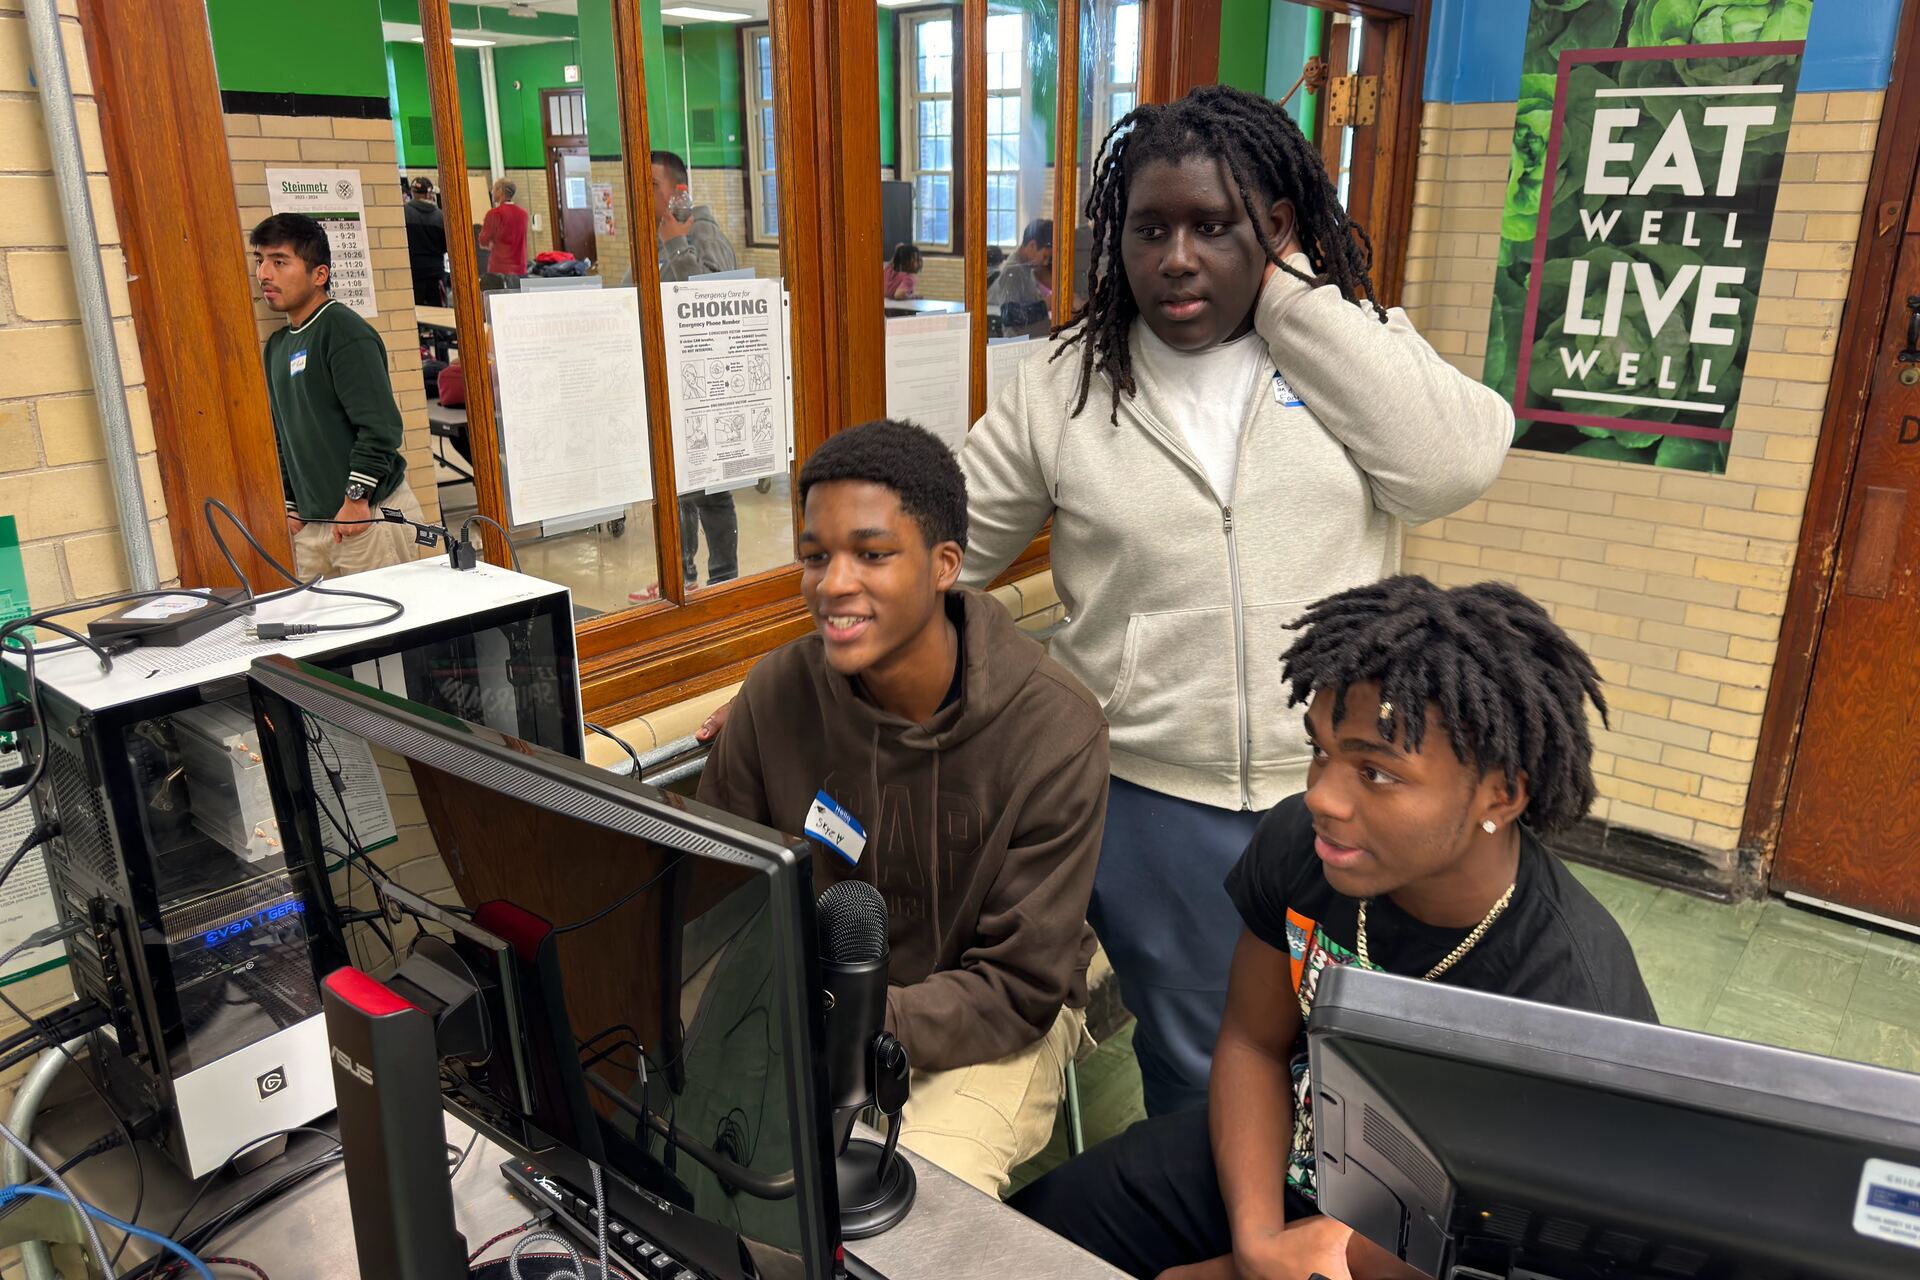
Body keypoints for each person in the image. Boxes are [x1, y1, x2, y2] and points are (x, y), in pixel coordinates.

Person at [956, 83, 1516, 1117]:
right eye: (1149, 228)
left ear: (1278, 227)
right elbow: (947, 550)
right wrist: (800, 668)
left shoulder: (1345, 348)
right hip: (1154, 800)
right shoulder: (1066, 384)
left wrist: (1298, 301)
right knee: (1206, 1065)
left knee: (1369, 1056)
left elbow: (1453, 462)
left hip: (1354, 778)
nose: (1177, 256)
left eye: (1214, 226)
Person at [1013, 577, 1657, 1280]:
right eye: (1322, 751)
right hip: (1282, 1152)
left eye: (1376, 773)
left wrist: (1242, 1269)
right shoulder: (1303, 845)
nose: (1322, 796)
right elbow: (1254, 1042)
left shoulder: (1572, 996)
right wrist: (1257, 1243)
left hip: (1447, 1244)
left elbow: (1533, 1239)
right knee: (1025, 1237)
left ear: (1500, 792)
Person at [696, 419, 1109, 1199]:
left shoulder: (1053, 728)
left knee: (920, 1211)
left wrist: (856, 1022)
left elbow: (1020, 987)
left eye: (872, 554)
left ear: (944, 565)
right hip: (813, 1006)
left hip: (991, 1017)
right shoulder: (778, 694)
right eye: (815, 556)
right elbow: (721, 902)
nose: (833, 583)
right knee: (698, 1163)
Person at [251, 213, 426, 580]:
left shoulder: (342, 331)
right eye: (260, 261)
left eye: (279, 262)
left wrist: (356, 498)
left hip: (366, 516)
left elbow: (381, 428)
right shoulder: (278, 346)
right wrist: (292, 503)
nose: (264, 274)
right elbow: (283, 435)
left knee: (394, 633)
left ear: (319, 275)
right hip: (315, 526)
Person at [651, 148, 738, 282]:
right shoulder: (654, 240)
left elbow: (719, 295)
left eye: (653, 184)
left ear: (679, 192)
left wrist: (675, 243)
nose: (642, 192)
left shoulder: (705, 234)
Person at [403, 176, 446, 308]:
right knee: (439, 314)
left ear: (412, 192)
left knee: (417, 313)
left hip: (413, 273)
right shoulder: (441, 216)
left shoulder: (403, 213)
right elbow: (446, 246)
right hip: (435, 272)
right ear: (429, 193)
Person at [479, 179, 529, 281]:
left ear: (500, 191)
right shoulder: (523, 214)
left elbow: (483, 241)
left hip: (499, 270)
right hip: (521, 269)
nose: (492, 192)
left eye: (494, 189)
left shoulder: (494, 214)